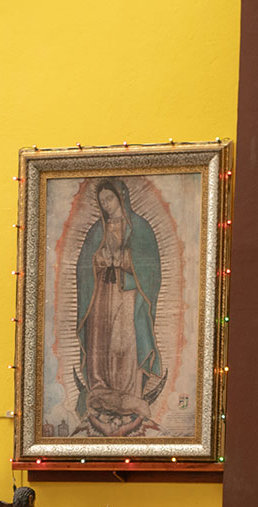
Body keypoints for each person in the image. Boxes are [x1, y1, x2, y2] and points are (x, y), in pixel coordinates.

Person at [75, 177, 168, 435]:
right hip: (102, 296)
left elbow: (151, 269)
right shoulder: (97, 231)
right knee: (101, 342)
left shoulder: (140, 228)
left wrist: (125, 260)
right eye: (102, 200)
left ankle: (129, 393)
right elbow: (84, 267)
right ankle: (100, 388)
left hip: (128, 295)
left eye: (110, 199)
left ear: (121, 198)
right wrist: (99, 261)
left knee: (124, 342)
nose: (106, 205)